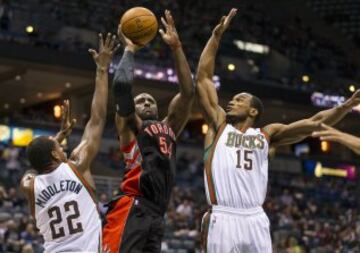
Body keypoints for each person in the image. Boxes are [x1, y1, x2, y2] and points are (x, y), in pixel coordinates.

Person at [196, 9, 360, 253]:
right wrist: (215, 37)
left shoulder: (267, 134)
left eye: (240, 100)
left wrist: (345, 107)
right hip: (223, 214)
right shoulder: (220, 124)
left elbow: (315, 121)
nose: (231, 101)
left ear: (253, 111)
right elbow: (203, 79)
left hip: (255, 217)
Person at [102, 10, 194, 253]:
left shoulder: (168, 127)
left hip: (156, 213)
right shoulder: (130, 126)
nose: (145, 103)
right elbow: (122, 87)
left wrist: (176, 48)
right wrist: (129, 49)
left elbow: (187, 93)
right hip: (132, 206)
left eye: (150, 100)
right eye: (141, 100)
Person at [20, 33, 119, 253]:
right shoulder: (77, 165)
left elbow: (30, 173)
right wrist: (102, 70)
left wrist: (54, 141)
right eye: (59, 147)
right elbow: (97, 119)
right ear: (55, 155)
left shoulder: (29, 185)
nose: (62, 147)